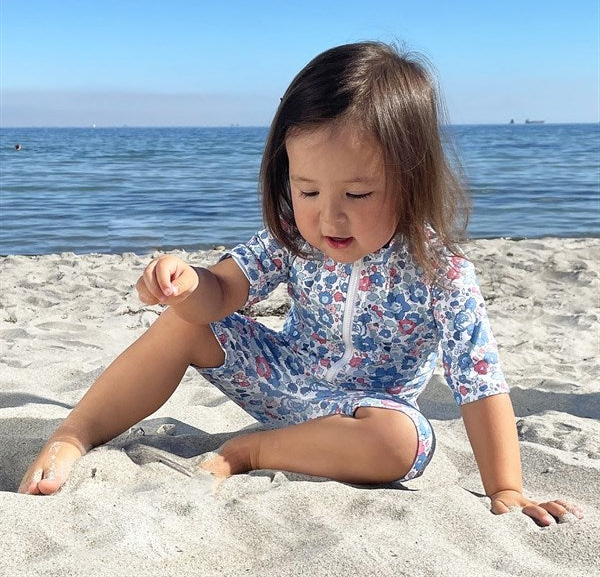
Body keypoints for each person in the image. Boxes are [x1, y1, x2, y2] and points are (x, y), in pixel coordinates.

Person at [19, 42, 583, 527]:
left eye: (357, 194)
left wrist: (506, 488)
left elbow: (480, 385)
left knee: (405, 442)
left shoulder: (443, 273)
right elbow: (224, 292)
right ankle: (75, 434)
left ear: (411, 179)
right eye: (308, 190)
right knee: (183, 323)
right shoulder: (292, 235)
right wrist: (187, 284)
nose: (329, 218)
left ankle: (249, 451)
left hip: (362, 418)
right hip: (282, 378)